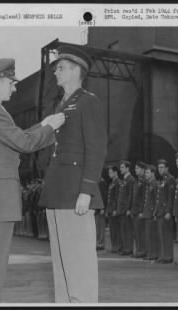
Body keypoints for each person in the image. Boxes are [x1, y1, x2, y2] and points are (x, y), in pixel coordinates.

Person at [0, 58, 65, 302]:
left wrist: (44, 124)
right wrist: (52, 128)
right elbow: (24, 143)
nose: (14, 87)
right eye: (11, 82)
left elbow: (15, 138)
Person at [38, 45, 107, 303]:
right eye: (56, 67)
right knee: (61, 262)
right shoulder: (61, 105)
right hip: (57, 192)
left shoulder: (88, 101)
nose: (56, 71)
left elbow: (97, 148)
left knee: (79, 261)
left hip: (75, 193)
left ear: (78, 70)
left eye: (62, 67)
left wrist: (86, 191)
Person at [154, 159, 176, 264]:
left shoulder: (170, 179)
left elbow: (170, 197)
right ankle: (162, 255)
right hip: (160, 211)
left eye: (162, 167)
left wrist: (168, 211)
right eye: (159, 167)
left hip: (165, 211)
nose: (160, 169)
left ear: (167, 168)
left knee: (167, 235)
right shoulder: (162, 180)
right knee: (161, 235)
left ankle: (168, 256)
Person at [117, 160, 136, 256]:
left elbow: (130, 195)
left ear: (128, 168)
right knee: (123, 229)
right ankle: (125, 248)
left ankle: (128, 249)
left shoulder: (130, 180)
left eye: (122, 167)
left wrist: (129, 208)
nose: (121, 169)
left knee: (127, 230)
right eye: (120, 167)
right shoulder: (124, 179)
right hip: (122, 209)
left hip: (126, 209)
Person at [142, 164, 159, 260]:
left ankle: (153, 254)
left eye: (147, 173)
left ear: (153, 173)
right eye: (145, 173)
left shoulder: (155, 184)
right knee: (148, 235)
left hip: (151, 213)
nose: (145, 174)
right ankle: (150, 253)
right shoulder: (149, 184)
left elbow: (157, 199)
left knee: (152, 235)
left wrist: (155, 212)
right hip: (147, 212)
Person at [131, 161, 147, 258]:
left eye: (137, 168)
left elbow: (144, 197)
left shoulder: (144, 181)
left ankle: (142, 250)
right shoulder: (138, 181)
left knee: (141, 232)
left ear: (142, 170)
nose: (136, 170)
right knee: (137, 232)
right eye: (136, 168)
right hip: (135, 210)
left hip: (140, 210)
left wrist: (142, 211)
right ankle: (138, 250)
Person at [106, 166, 121, 253]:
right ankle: (114, 246)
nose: (109, 174)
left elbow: (117, 197)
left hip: (114, 209)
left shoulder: (118, 183)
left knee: (116, 229)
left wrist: (115, 209)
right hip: (111, 209)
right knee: (112, 230)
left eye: (111, 172)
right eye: (109, 173)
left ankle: (117, 246)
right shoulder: (112, 183)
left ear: (115, 172)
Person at [95, 176, 108, 250]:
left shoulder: (101, 182)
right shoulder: (96, 181)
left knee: (101, 226)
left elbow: (104, 195)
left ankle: (101, 243)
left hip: (100, 208)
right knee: (97, 227)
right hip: (96, 208)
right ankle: (98, 243)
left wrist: (103, 208)